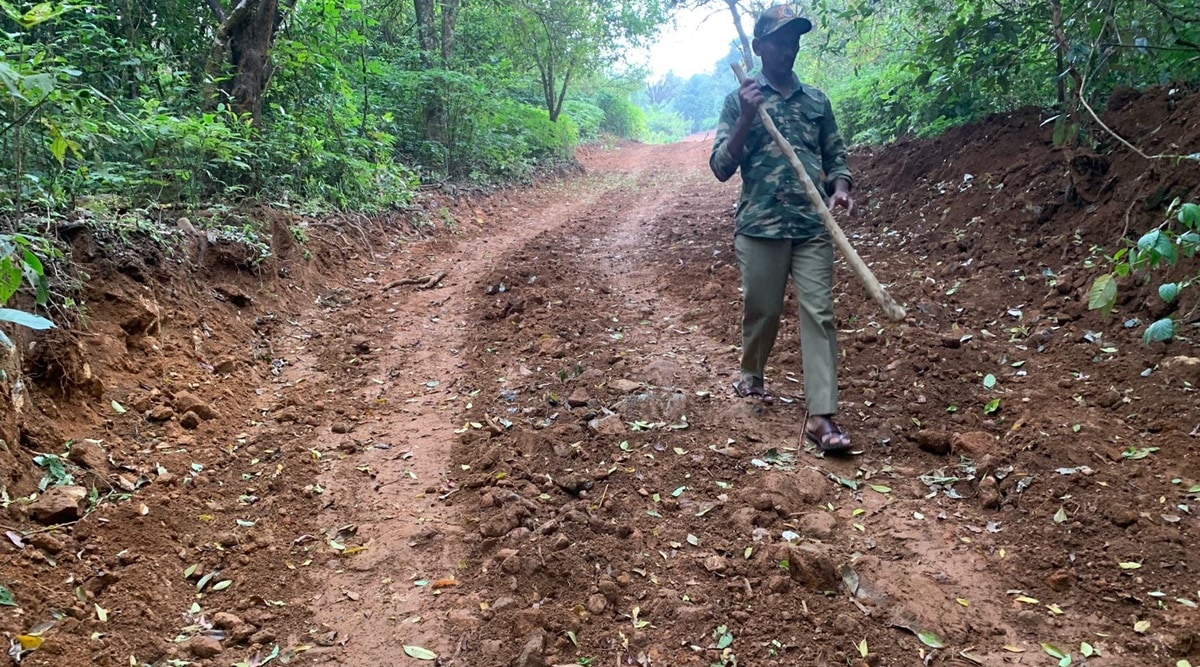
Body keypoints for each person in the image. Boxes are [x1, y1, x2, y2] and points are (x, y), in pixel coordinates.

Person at [709, 4, 856, 453]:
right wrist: (748, 118)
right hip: (760, 225)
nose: (789, 48)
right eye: (780, 40)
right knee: (764, 309)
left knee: (820, 313)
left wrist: (841, 188)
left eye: (795, 39)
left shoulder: (816, 100)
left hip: (813, 224)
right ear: (759, 48)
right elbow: (720, 166)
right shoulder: (740, 99)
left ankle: (822, 416)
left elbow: (836, 156)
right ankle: (752, 374)